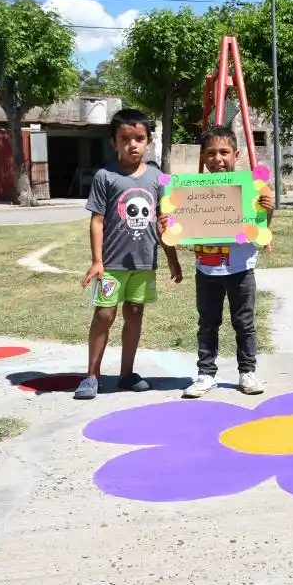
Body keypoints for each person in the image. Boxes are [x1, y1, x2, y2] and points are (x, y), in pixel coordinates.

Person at [76, 109, 183, 401]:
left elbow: (165, 223)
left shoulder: (158, 178)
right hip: (111, 264)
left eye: (139, 138)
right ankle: (91, 376)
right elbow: (97, 220)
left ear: (148, 142)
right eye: (125, 139)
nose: (132, 144)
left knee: (135, 314)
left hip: (144, 263)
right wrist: (97, 261)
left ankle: (126, 374)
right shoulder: (105, 176)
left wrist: (172, 260)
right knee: (104, 315)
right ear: (114, 142)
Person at [174, 126, 275, 398]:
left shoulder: (251, 188)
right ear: (203, 158)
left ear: (236, 155)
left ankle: (247, 372)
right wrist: (171, 222)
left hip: (241, 269)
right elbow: (181, 228)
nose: (217, 159)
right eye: (210, 153)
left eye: (223, 152)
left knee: (244, 322)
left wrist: (268, 209)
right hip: (206, 270)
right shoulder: (192, 191)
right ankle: (206, 374)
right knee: (207, 323)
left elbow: (262, 227)